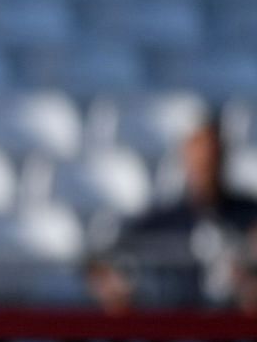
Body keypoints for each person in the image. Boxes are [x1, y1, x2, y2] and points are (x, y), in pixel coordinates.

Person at [87, 118, 257, 310]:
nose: (205, 167)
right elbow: (100, 261)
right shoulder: (162, 221)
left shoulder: (249, 216)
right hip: (172, 328)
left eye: (212, 159)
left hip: (236, 332)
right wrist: (114, 286)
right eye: (199, 160)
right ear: (185, 159)